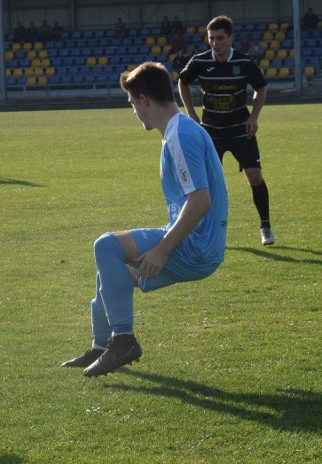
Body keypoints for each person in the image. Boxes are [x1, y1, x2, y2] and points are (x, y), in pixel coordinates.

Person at [61, 61, 228, 377]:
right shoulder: (180, 131)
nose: (133, 111)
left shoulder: (181, 134)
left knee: (105, 246)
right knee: (109, 274)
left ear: (144, 99)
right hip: (200, 244)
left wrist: (162, 249)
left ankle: (123, 340)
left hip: (197, 247)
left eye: (131, 103)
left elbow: (201, 201)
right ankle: (102, 346)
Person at [178, 15, 275, 246]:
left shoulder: (244, 62)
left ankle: (266, 226)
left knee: (255, 176)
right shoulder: (199, 62)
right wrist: (192, 115)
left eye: (220, 38)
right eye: (211, 39)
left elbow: (260, 89)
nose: (215, 43)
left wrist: (254, 117)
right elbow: (183, 82)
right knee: (209, 184)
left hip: (241, 130)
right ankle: (209, 232)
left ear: (231, 37)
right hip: (211, 132)